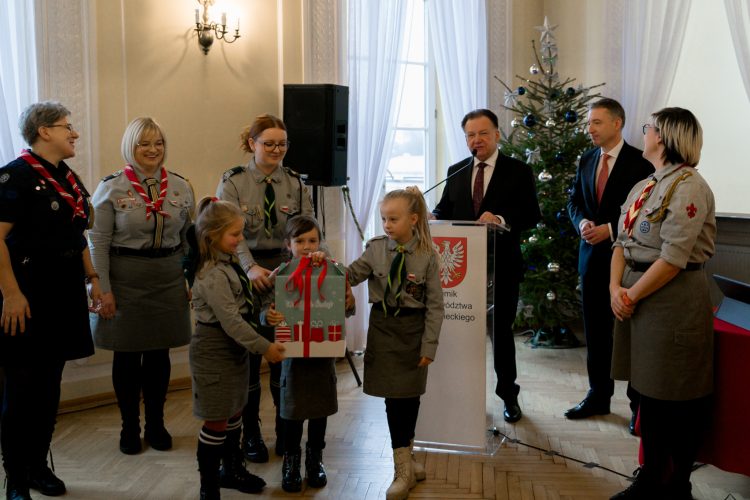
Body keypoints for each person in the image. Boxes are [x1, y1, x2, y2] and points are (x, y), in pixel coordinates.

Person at [608, 108, 715, 500]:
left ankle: (673, 485)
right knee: (646, 395)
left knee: (673, 398)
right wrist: (614, 287)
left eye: (648, 128)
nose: (644, 133)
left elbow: (673, 258)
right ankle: (652, 479)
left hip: (671, 303)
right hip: (637, 300)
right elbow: (621, 243)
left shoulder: (689, 186)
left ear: (666, 137)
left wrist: (630, 294)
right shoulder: (645, 185)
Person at [0, 101, 96, 499]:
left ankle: (38, 466)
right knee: (22, 389)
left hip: (64, 290)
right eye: (67, 126)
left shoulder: (66, 176)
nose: (74, 133)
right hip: (27, 293)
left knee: (49, 386)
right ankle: (16, 479)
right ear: (44, 131)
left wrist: (92, 277)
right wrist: (10, 294)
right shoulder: (16, 175)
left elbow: (77, 232)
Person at [88, 117, 194, 455]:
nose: (152, 150)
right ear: (130, 147)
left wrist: (190, 279)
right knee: (128, 355)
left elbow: (189, 240)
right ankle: (129, 426)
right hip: (126, 278)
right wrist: (103, 288)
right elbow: (98, 242)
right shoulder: (111, 187)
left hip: (167, 276)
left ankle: (156, 424)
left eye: (158, 143)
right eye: (144, 144)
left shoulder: (180, 186)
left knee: (160, 353)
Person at [432, 108, 541, 423]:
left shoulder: (518, 170)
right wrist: (431, 217)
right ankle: (461, 395)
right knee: (461, 333)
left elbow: (532, 215)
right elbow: (443, 209)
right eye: (470, 135)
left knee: (501, 334)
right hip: (462, 269)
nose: (476, 140)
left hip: (502, 266)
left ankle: (508, 396)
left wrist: (501, 219)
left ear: (496, 134)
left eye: (482, 133)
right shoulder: (456, 170)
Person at [217, 113, 315, 461]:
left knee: (281, 355)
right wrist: (249, 267)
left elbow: (308, 228)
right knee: (249, 358)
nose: (276, 150)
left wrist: (314, 265)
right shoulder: (234, 181)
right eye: (269, 143)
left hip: (285, 272)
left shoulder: (295, 183)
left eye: (282, 144)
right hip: (244, 272)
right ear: (252, 144)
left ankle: (285, 431)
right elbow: (228, 231)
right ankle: (251, 434)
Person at [347, 187, 443, 500]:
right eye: (384, 219)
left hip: (413, 333)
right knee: (393, 399)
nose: (387, 225)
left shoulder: (427, 255)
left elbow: (435, 307)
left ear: (413, 219)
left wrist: (429, 346)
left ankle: (406, 461)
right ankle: (403, 468)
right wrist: (321, 264)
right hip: (383, 329)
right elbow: (349, 275)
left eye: (393, 219)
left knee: (409, 398)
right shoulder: (375, 249)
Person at [190, 197, 286, 499]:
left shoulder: (230, 265)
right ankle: (209, 487)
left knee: (234, 412)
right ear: (212, 236)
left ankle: (230, 470)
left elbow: (243, 306)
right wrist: (265, 347)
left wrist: (269, 291)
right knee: (217, 419)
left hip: (234, 351)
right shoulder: (213, 274)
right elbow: (231, 322)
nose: (241, 239)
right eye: (235, 234)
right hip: (214, 351)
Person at [565, 98, 653, 430]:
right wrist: (582, 222)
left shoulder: (641, 162)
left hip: (628, 263)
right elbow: (574, 200)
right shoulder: (587, 159)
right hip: (590, 258)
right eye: (589, 122)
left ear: (617, 123)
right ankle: (598, 395)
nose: (590, 128)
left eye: (597, 122)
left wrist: (611, 230)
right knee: (596, 332)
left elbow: (646, 212)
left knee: (630, 335)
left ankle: (637, 406)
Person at [262, 215, 355, 493]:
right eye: (299, 241)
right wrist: (267, 315)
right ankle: (291, 462)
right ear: (288, 244)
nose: (306, 246)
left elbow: (347, 309)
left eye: (312, 240)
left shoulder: (333, 271)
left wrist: (349, 300)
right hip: (293, 360)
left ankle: (315, 460)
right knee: (291, 412)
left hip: (322, 359)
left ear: (320, 242)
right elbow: (263, 309)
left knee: (319, 411)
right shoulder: (280, 274)